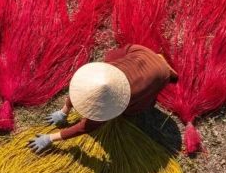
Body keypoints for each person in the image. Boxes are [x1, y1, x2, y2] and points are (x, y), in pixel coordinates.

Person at [28, 44, 178, 154]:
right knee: (110, 56)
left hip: (161, 74)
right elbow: (77, 89)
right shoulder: (99, 77)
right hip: (140, 52)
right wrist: (64, 111)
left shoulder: (120, 101)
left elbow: (83, 127)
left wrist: (50, 138)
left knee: (133, 110)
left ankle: (165, 67)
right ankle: (157, 59)